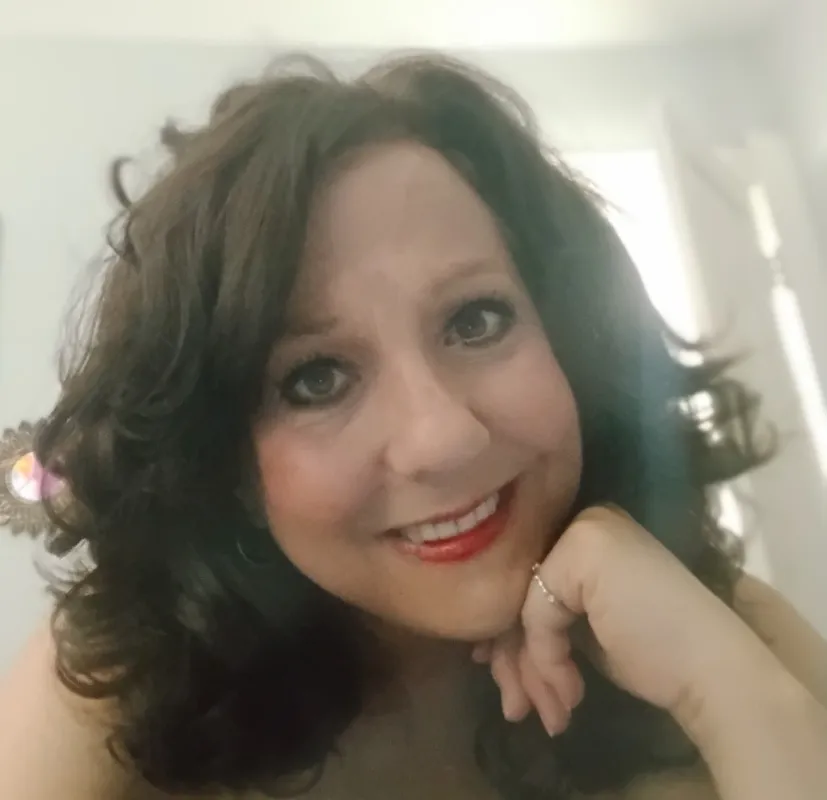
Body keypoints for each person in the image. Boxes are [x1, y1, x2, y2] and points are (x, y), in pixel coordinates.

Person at [0, 53, 825, 800]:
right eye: (316, 378)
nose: (443, 436)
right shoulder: (122, 688)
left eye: (476, 320)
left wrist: (737, 701)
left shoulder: (717, 632)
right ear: (221, 463)